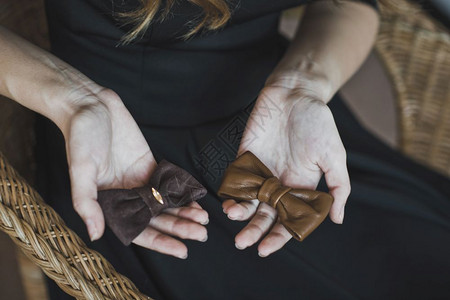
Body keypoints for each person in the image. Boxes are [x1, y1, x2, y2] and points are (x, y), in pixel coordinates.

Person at [1, 0, 449, 299]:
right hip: (122, 157)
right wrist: (74, 99)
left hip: (287, 136)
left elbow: (350, 5)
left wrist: (304, 83)